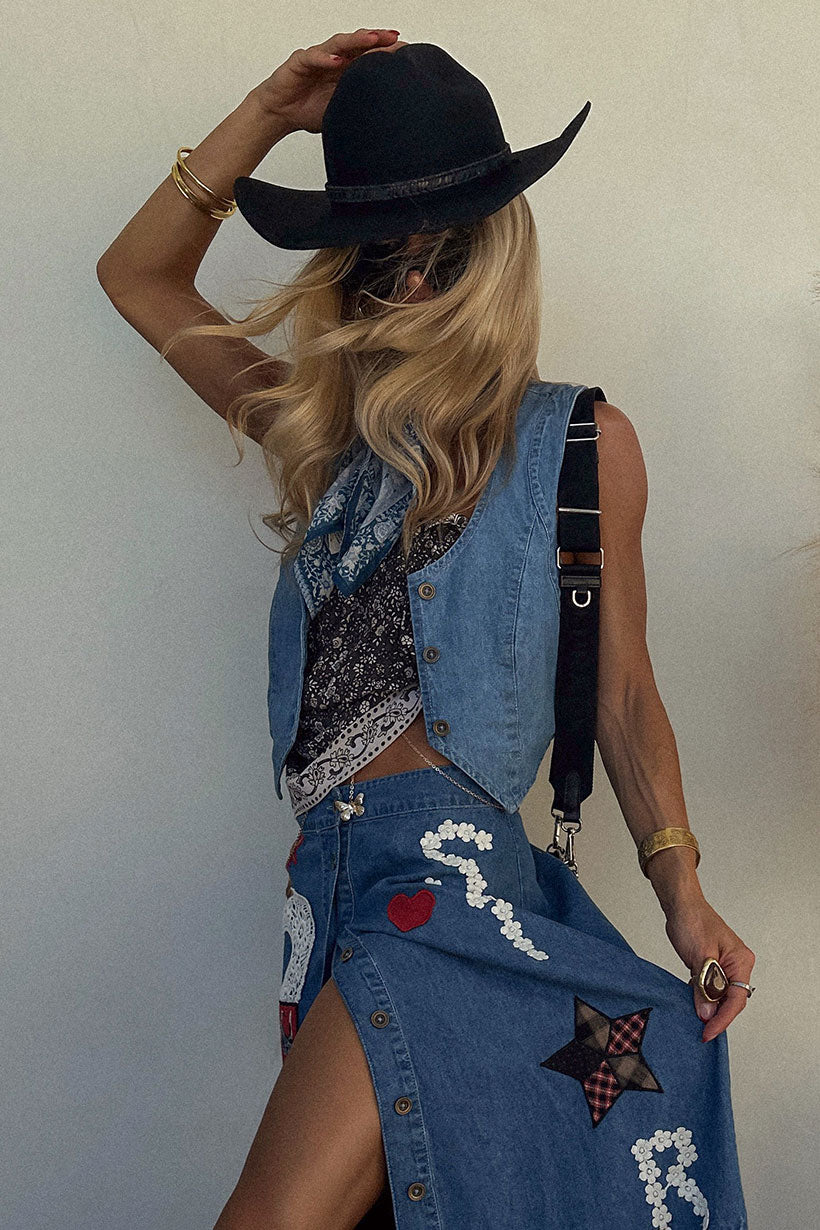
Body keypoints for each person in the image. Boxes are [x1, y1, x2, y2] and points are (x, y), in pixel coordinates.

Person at [97, 30, 754, 1230]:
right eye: (376, 260)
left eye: (438, 256)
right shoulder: (320, 438)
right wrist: (267, 111)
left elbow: (622, 695)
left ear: (494, 252)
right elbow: (139, 277)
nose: (405, 289)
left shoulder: (579, 445)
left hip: (448, 896)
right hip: (327, 899)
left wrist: (683, 891)